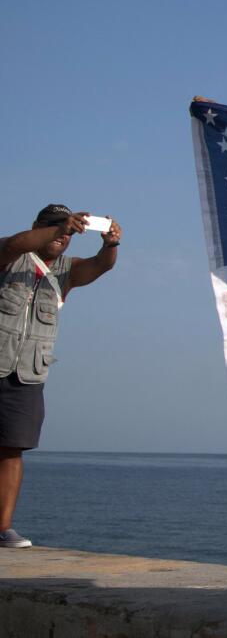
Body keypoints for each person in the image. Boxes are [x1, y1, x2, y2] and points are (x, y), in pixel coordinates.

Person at [0, 205, 122, 548]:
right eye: (54, 226)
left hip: (28, 374)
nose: (62, 234)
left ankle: (2, 528)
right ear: (37, 226)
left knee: (12, 450)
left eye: (68, 230)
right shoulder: (11, 255)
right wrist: (57, 229)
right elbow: (13, 245)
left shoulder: (67, 271)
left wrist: (110, 244)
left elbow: (100, 266)